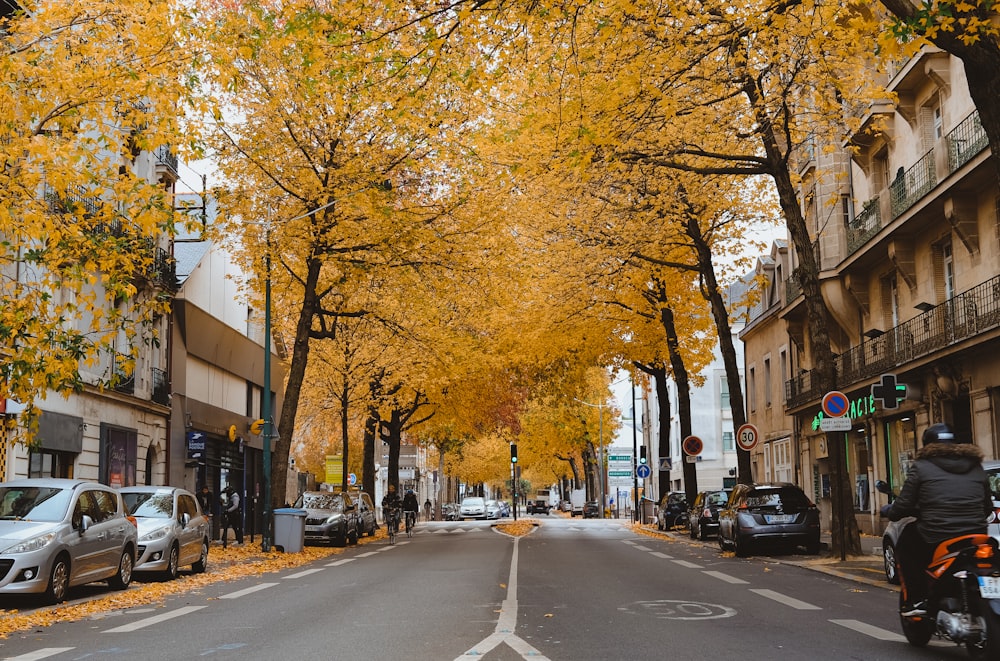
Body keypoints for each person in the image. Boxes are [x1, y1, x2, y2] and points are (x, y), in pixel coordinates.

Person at [884, 423, 993, 616]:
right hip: (976, 534)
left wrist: (890, 511)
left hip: (936, 534)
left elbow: (903, 505)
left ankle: (916, 600)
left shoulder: (921, 467)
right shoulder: (976, 466)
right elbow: (987, 507)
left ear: (926, 445)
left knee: (906, 543)